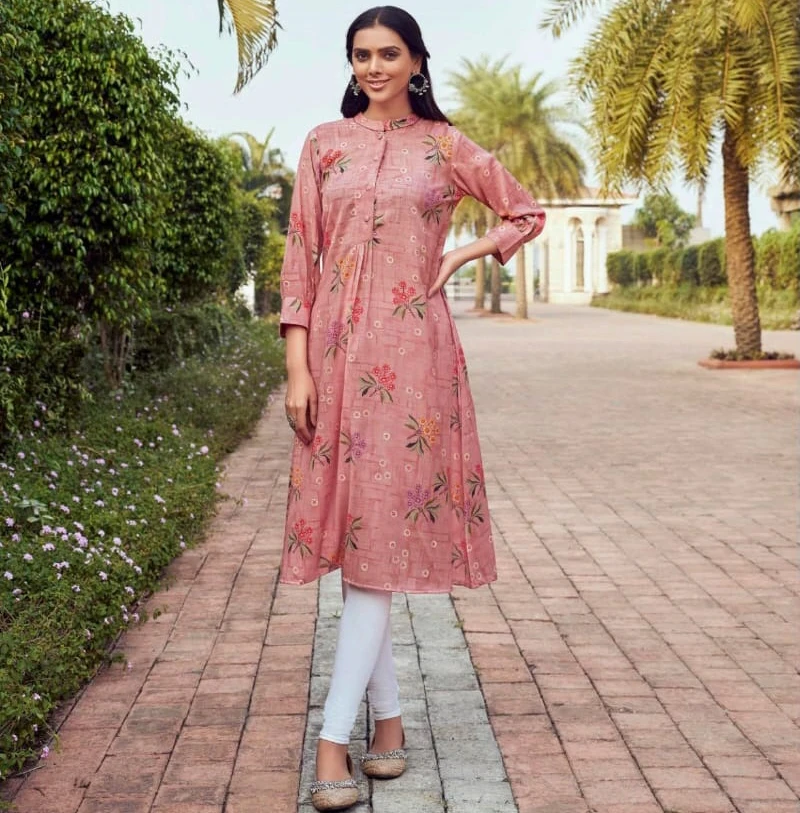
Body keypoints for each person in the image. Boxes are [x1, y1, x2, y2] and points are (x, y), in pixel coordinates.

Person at [278, 6, 545, 810]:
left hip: (414, 361)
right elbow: (300, 257)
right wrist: (297, 368)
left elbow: (526, 211)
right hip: (332, 358)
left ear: (417, 61)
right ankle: (388, 721)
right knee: (359, 542)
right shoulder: (324, 144)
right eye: (361, 54)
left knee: (378, 541)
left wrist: (464, 250)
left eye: (389, 53)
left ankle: (332, 741)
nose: (373, 66)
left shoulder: (445, 146)